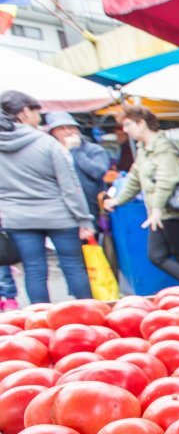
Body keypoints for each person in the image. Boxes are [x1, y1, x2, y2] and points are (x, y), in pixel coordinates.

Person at [0, 90, 93, 304]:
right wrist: (83, 218)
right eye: (37, 112)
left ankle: (39, 320)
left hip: (18, 218)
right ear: (24, 112)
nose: (40, 118)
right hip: (59, 215)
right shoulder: (46, 142)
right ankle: (89, 314)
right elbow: (70, 186)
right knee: (73, 266)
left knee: (34, 271)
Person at [104, 106, 179, 290]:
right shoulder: (144, 149)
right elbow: (135, 178)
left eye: (128, 124)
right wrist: (118, 200)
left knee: (178, 255)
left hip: (175, 210)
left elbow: (168, 178)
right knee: (160, 255)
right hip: (159, 212)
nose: (125, 130)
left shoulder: (163, 147)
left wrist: (156, 208)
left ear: (141, 123)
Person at [44, 111, 110, 220]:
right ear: (53, 133)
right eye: (61, 129)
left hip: (90, 206)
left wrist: (75, 151)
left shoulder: (94, 150)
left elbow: (98, 172)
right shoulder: (50, 152)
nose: (68, 132)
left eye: (71, 127)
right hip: (59, 207)